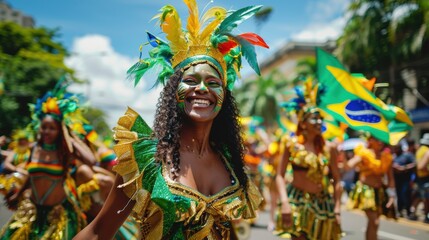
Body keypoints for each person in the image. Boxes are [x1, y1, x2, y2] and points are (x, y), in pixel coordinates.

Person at [75, 1, 268, 239]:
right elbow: (99, 231)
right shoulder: (147, 159)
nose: (201, 88)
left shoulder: (230, 162)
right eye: (191, 80)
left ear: (224, 97)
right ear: (172, 91)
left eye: (213, 83)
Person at [0, 80, 96, 239]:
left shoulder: (64, 151)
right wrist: (17, 195)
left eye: (52, 128)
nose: (47, 131)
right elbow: (32, 177)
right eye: (44, 127)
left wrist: (70, 137)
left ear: (60, 131)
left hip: (57, 215)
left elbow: (91, 160)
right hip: (32, 212)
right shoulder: (35, 148)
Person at [275, 82, 342, 239]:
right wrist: (285, 203)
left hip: (322, 203)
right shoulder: (291, 144)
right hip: (297, 202)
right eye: (314, 119)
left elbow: (337, 180)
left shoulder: (329, 148)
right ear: (303, 123)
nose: (319, 122)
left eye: (320, 119)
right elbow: (279, 175)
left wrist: (337, 208)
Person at [347, 134, 396, 239]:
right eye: (377, 139)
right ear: (370, 140)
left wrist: (392, 196)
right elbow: (349, 165)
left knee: (373, 223)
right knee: (375, 221)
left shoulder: (386, 157)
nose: (380, 142)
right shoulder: (364, 154)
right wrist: (342, 158)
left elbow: (391, 178)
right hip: (366, 191)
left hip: (379, 192)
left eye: (381, 139)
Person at [392, 143, 415, 217]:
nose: (395, 150)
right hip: (397, 178)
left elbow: (414, 164)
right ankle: (399, 210)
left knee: (405, 194)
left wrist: (404, 168)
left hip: (406, 179)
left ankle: (408, 211)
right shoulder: (394, 156)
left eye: (397, 148)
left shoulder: (407, 155)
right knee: (399, 195)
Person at [413, 133, 429, 223]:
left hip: (419, 177)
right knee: (426, 198)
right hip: (425, 178)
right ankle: (427, 217)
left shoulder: (420, 150)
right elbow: (421, 166)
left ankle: (412, 212)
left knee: (420, 196)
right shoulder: (427, 151)